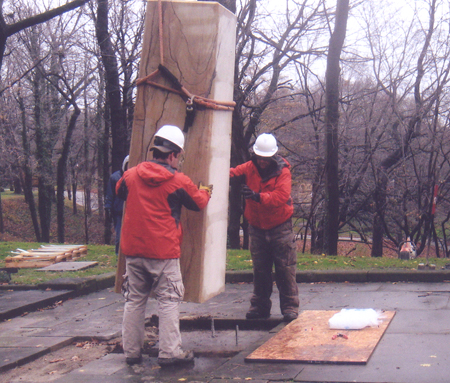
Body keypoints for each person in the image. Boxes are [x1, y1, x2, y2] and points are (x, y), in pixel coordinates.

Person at [116, 125, 212, 367]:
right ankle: (170, 353)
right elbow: (199, 202)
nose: (178, 161)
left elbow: (119, 191)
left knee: (134, 300)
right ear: (172, 155)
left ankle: (131, 353)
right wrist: (206, 190)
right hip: (163, 252)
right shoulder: (177, 181)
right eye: (178, 156)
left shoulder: (131, 174)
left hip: (133, 251)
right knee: (169, 300)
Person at [230, 133, 299, 323]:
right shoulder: (250, 167)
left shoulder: (283, 171)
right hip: (257, 227)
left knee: (285, 268)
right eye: (259, 158)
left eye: (265, 159)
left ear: (273, 157)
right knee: (260, 270)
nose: (261, 162)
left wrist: (257, 196)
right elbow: (233, 171)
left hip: (280, 227)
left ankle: (290, 307)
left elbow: (280, 197)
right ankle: (259, 307)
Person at [105, 155, 129, 256]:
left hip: (130, 211)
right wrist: (108, 208)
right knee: (119, 235)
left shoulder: (134, 178)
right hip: (118, 211)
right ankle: (118, 254)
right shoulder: (115, 178)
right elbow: (110, 194)